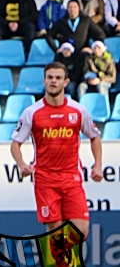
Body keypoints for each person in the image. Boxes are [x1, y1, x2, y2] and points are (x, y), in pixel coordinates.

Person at [11, 62, 103, 241]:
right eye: (50, 78)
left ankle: (60, 263)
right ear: (44, 81)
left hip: (71, 178)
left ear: (66, 82)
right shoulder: (32, 112)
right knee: (54, 229)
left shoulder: (78, 110)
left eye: (58, 78)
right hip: (45, 179)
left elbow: (95, 136)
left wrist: (98, 165)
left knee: (80, 231)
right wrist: (22, 164)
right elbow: (15, 144)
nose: (54, 81)